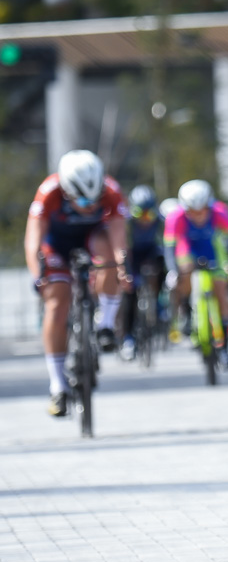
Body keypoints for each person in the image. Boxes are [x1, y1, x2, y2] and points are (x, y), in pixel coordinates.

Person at [25, 150, 129, 417]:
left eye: (95, 200)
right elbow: (33, 239)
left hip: (93, 238)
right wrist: (38, 274)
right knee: (57, 303)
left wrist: (122, 267)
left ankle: (105, 324)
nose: (90, 206)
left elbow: (118, 236)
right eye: (83, 199)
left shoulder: (111, 190)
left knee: (110, 260)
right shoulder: (49, 191)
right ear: (68, 191)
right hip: (55, 245)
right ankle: (58, 385)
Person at [164, 179, 228, 370]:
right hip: (187, 250)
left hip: (212, 251)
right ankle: (187, 315)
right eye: (192, 211)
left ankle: (225, 348)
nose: (198, 215)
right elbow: (170, 248)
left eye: (202, 210)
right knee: (184, 273)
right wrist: (173, 271)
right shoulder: (175, 217)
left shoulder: (220, 212)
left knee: (221, 289)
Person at [119, 185, 165, 361]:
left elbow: (168, 242)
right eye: (140, 214)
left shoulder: (160, 220)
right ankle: (128, 338)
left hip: (151, 251)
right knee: (129, 292)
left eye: (149, 214)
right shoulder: (126, 221)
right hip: (132, 254)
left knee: (162, 264)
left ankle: (158, 301)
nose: (145, 219)